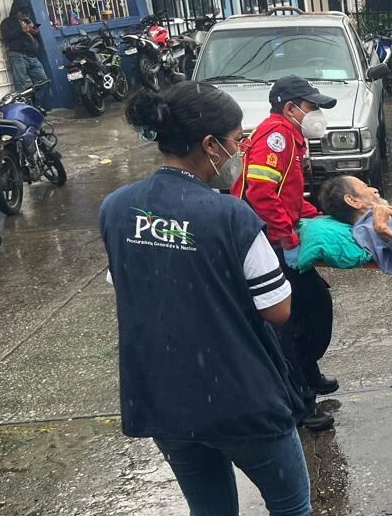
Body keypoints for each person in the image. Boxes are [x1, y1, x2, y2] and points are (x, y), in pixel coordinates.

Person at [99, 82, 311, 516]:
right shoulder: (230, 214)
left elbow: (126, 285)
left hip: (164, 400)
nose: (240, 151)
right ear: (211, 145)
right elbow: (278, 310)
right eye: (236, 140)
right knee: (292, 508)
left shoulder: (117, 207)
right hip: (242, 398)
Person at [233, 76, 338, 432]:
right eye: (312, 107)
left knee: (315, 305)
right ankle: (301, 403)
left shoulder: (290, 138)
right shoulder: (276, 136)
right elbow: (260, 192)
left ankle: (309, 373)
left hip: (278, 234)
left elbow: (286, 197)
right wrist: (286, 236)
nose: (316, 113)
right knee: (288, 324)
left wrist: (317, 216)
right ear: (291, 108)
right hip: (267, 241)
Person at [0, 3, 50, 106]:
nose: (24, 15)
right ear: (15, 12)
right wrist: (21, 30)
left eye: (25, 13)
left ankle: (35, 104)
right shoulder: (7, 22)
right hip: (18, 55)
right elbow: (7, 36)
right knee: (20, 85)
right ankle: (23, 108)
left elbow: (35, 36)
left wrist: (34, 31)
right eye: (21, 12)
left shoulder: (27, 21)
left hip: (32, 56)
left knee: (44, 81)